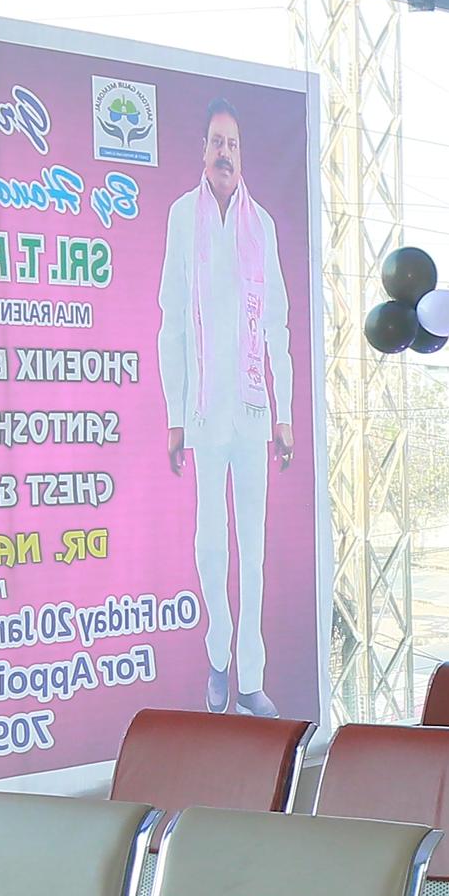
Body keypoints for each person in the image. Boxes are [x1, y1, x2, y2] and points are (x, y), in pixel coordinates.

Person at [155, 99, 294, 713]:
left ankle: (252, 679)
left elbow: (279, 329)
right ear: (202, 149)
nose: (224, 153)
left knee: (253, 547)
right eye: (216, 141)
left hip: (252, 409)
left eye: (233, 144)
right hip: (205, 412)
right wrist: (174, 416)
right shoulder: (182, 218)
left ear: (242, 154)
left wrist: (285, 412)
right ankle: (217, 659)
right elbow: (172, 325)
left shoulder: (260, 224)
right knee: (211, 541)